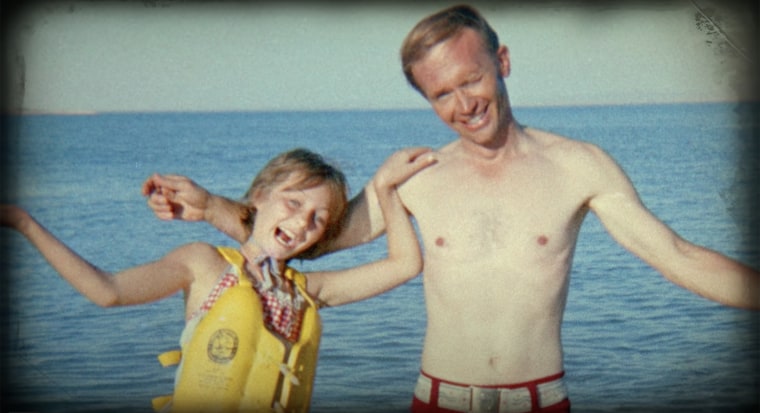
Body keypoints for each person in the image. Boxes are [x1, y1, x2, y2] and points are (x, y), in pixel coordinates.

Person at [142, 5, 760, 413]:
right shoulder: (420, 178)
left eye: (471, 80)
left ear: (503, 62)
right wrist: (212, 207)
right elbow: (311, 238)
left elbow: (677, 256)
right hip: (434, 400)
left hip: (540, 401)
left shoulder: (580, 166)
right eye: (442, 94)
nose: (463, 104)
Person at [2, 147, 435, 413]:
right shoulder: (204, 264)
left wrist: (387, 193)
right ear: (260, 196)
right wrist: (24, 223)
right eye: (292, 202)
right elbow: (107, 291)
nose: (301, 222)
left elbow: (404, 265)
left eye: (318, 220)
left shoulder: (309, 293)